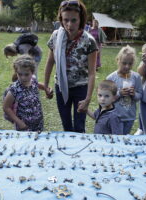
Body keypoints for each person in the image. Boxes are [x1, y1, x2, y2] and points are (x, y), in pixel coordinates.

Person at [44, 0, 98, 133]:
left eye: (74, 20)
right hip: (61, 87)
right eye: (65, 20)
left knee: (79, 127)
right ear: (61, 19)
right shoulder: (56, 36)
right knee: (66, 126)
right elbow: (50, 61)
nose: (69, 24)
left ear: (81, 19)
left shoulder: (89, 41)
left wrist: (87, 99)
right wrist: (46, 85)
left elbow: (92, 72)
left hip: (80, 88)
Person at [107, 45, 143, 134]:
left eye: (130, 64)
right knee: (117, 138)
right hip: (115, 116)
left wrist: (134, 94)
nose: (127, 66)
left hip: (129, 116)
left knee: (125, 137)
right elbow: (106, 99)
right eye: (124, 63)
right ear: (118, 61)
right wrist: (119, 93)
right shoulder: (111, 78)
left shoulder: (136, 77)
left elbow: (140, 95)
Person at [3, 55, 45, 131]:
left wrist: (46, 89)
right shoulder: (14, 89)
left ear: (32, 72)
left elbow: (38, 84)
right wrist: (19, 122)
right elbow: (6, 107)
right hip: (24, 127)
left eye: (26, 74)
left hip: (38, 123)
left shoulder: (33, 80)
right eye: (20, 74)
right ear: (16, 72)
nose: (23, 77)